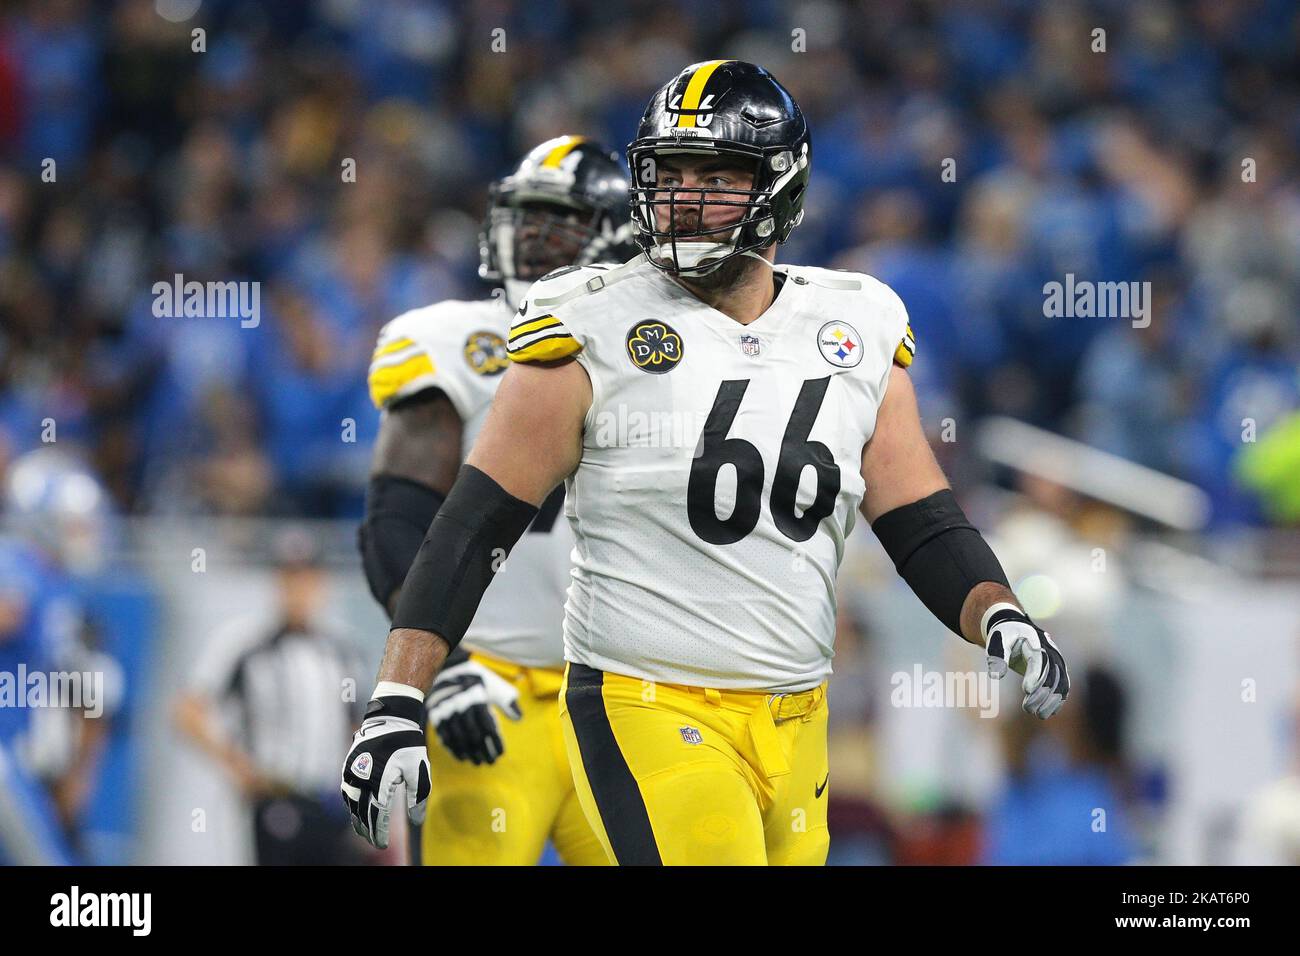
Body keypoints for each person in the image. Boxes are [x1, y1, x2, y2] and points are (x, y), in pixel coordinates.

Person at [342, 61, 1070, 865]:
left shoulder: (856, 320)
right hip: (646, 699)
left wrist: (995, 611)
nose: (686, 198)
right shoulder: (589, 319)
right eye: (671, 173)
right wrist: (401, 694)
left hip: (797, 714)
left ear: (781, 187)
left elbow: (919, 518)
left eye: (717, 176)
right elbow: (475, 518)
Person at [358, 135, 631, 865]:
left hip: (624, 696)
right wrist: (435, 675)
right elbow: (393, 526)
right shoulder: (458, 344)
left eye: (560, 222)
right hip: (488, 691)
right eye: (524, 218)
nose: (534, 239)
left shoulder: (664, 353)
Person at [176, 529, 364, 865]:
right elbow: (188, 711)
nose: (298, 591)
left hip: (330, 805)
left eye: (307, 579)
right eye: (290, 579)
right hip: (275, 799)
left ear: (322, 584)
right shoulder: (245, 643)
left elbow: (354, 726)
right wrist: (238, 766)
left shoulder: (341, 652)